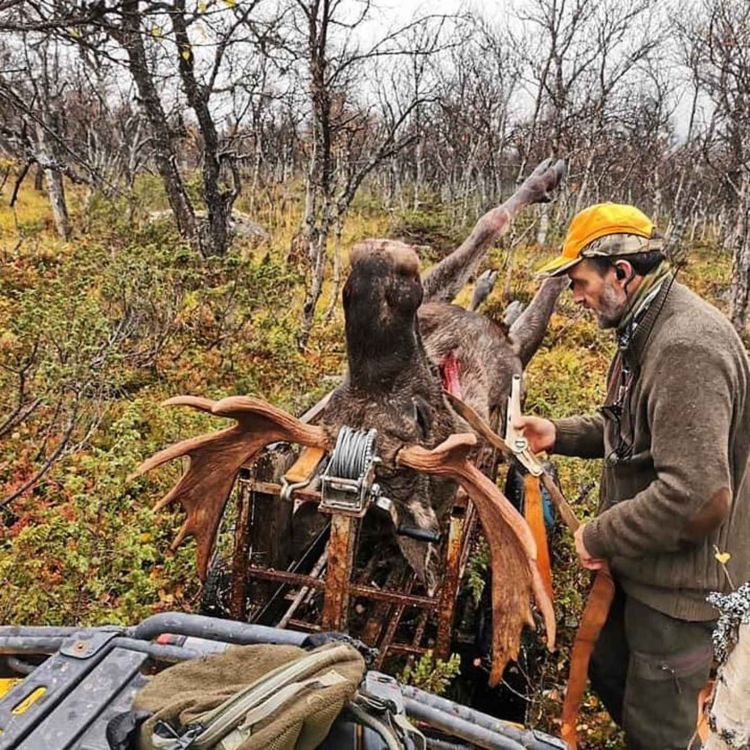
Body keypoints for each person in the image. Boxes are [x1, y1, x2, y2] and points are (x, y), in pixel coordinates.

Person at [517, 203, 750, 749]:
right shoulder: (644, 326)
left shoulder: (685, 347)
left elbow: (697, 496)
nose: (576, 297)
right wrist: (559, 432)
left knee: (658, 732)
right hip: (648, 570)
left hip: (682, 593)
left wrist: (600, 535)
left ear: (621, 272)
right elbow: (631, 427)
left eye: (580, 282)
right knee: (609, 670)